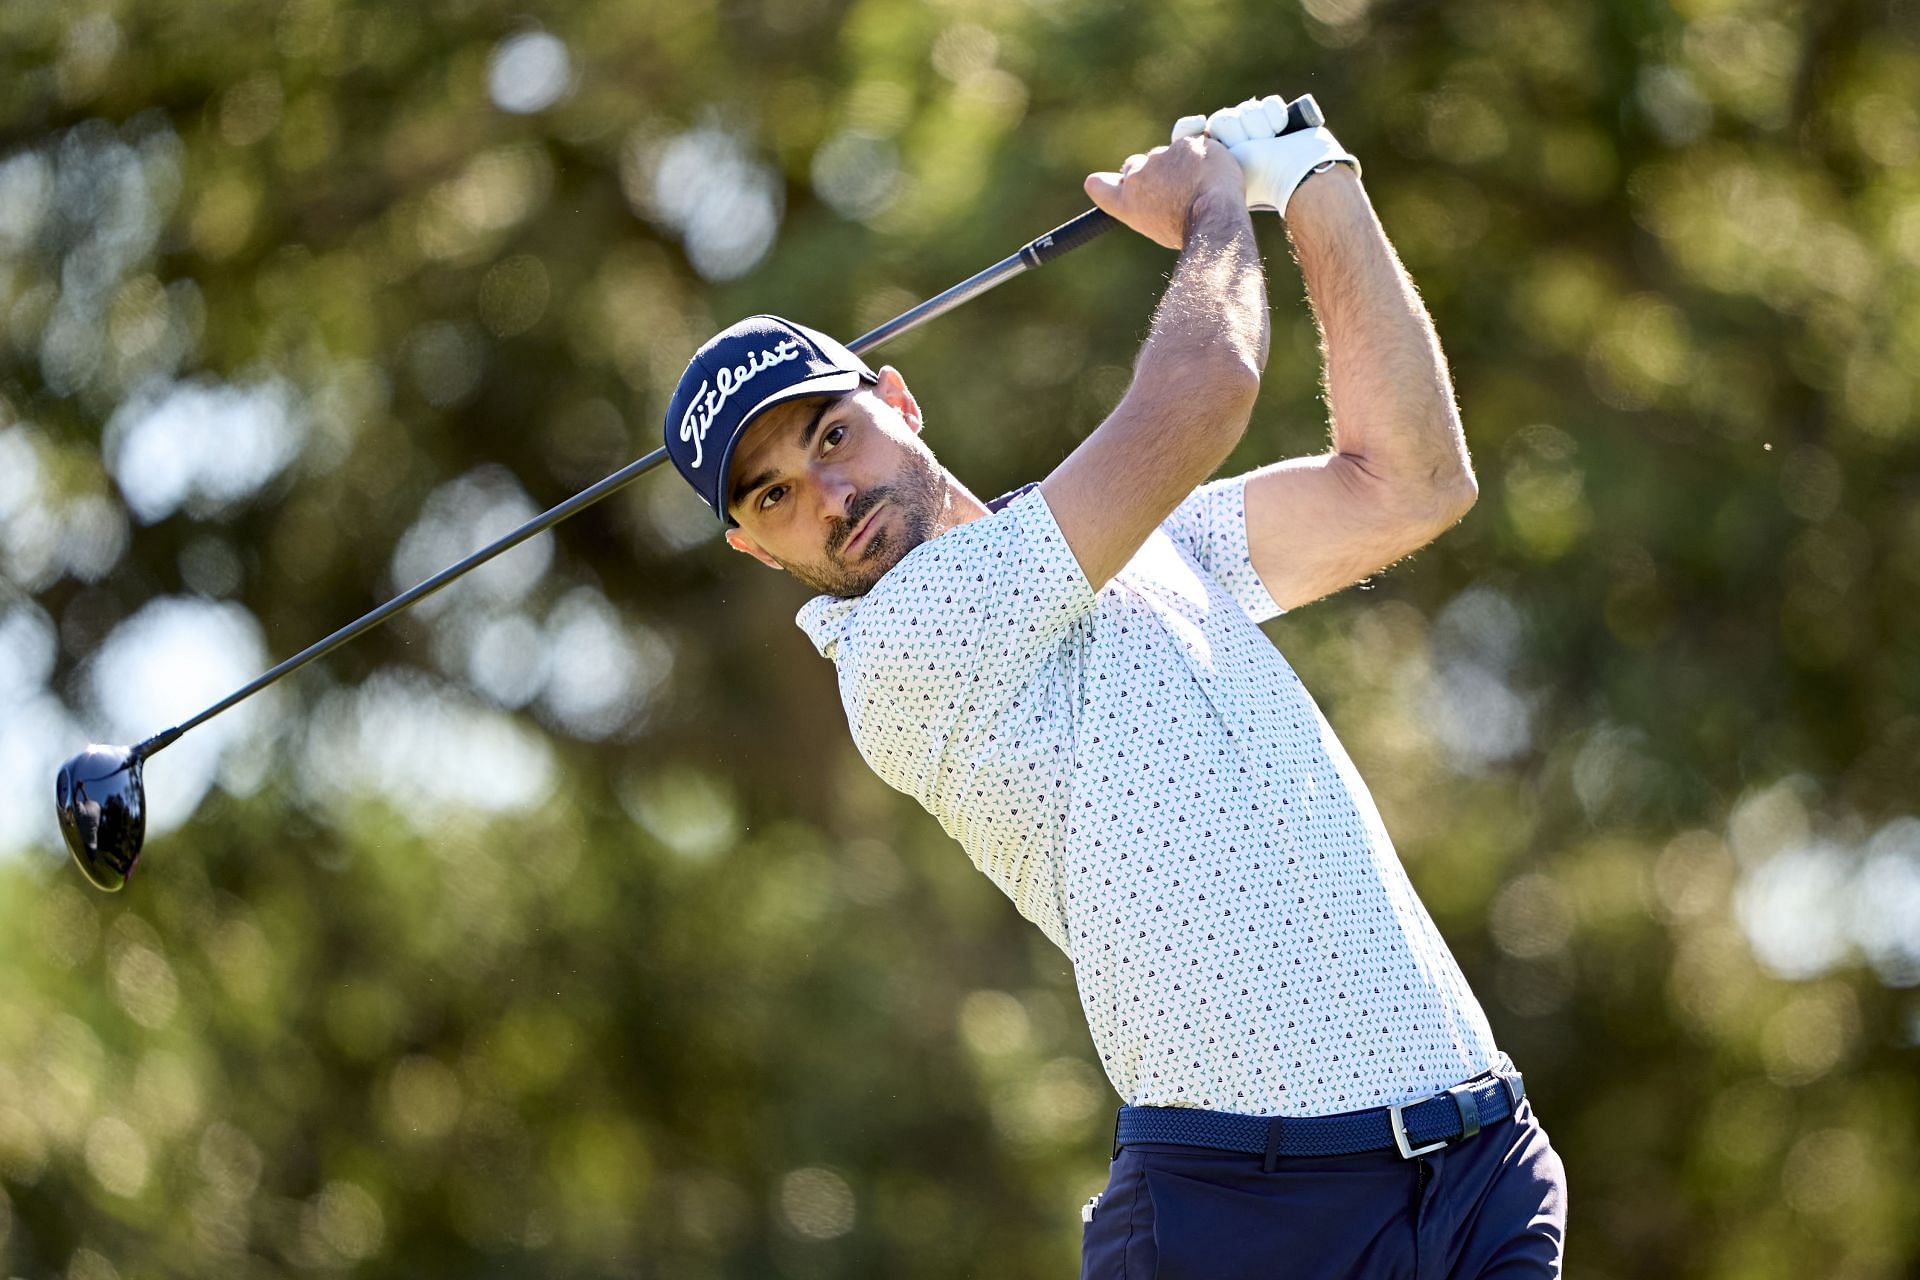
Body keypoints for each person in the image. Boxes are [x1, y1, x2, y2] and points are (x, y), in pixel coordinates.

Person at [663, 94, 1567, 1278]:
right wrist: (1207, 203)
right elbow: (1204, 387)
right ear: (754, 549)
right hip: (1245, 1215)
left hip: (1480, 1161)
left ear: (898, 402)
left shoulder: (1158, 544)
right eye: (772, 494)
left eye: (830, 437)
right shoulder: (895, 655)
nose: (829, 496)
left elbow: (1413, 482)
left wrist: (1307, 172)